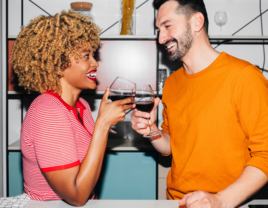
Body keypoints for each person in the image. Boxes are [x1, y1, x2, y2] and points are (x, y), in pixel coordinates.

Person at [130, 0, 268, 207]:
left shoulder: (244, 77)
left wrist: (220, 200)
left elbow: (265, 155)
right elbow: (169, 146)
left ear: (197, 22)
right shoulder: (171, 83)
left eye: (167, 26)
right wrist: (151, 131)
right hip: (177, 202)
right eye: (158, 30)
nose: (160, 38)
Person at [10, 10, 134, 206]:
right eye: (86, 56)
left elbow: (87, 173)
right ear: (58, 64)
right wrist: (102, 124)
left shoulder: (81, 105)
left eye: (93, 55)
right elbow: (76, 196)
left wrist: (105, 121)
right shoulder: (47, 111)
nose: (95, 63)